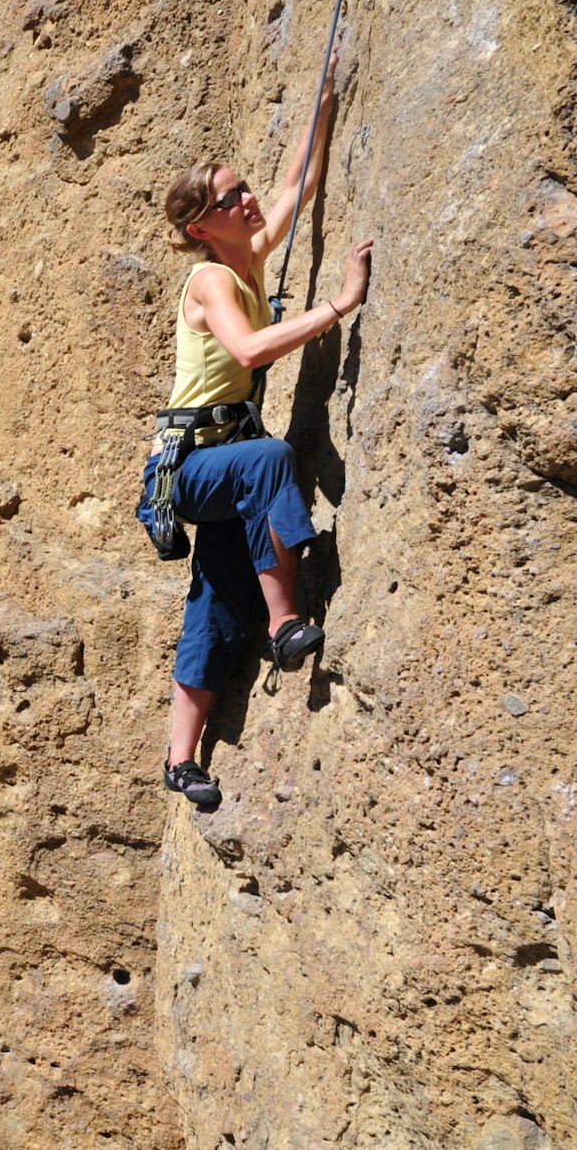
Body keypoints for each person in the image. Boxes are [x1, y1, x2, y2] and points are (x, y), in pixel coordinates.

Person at [139, 54, 373, 807]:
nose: (247, 199)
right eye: (230, 195)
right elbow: (246, 350)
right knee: (272, 457)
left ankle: (180, 759)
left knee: (217, 590)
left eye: (242, 188)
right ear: (200, 225)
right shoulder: (210, 278)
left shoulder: (246, 255)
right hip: (189, 470)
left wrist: (325, 100)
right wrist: (338, 306)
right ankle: (285, 624)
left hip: (219, 471)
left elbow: (296, 188)